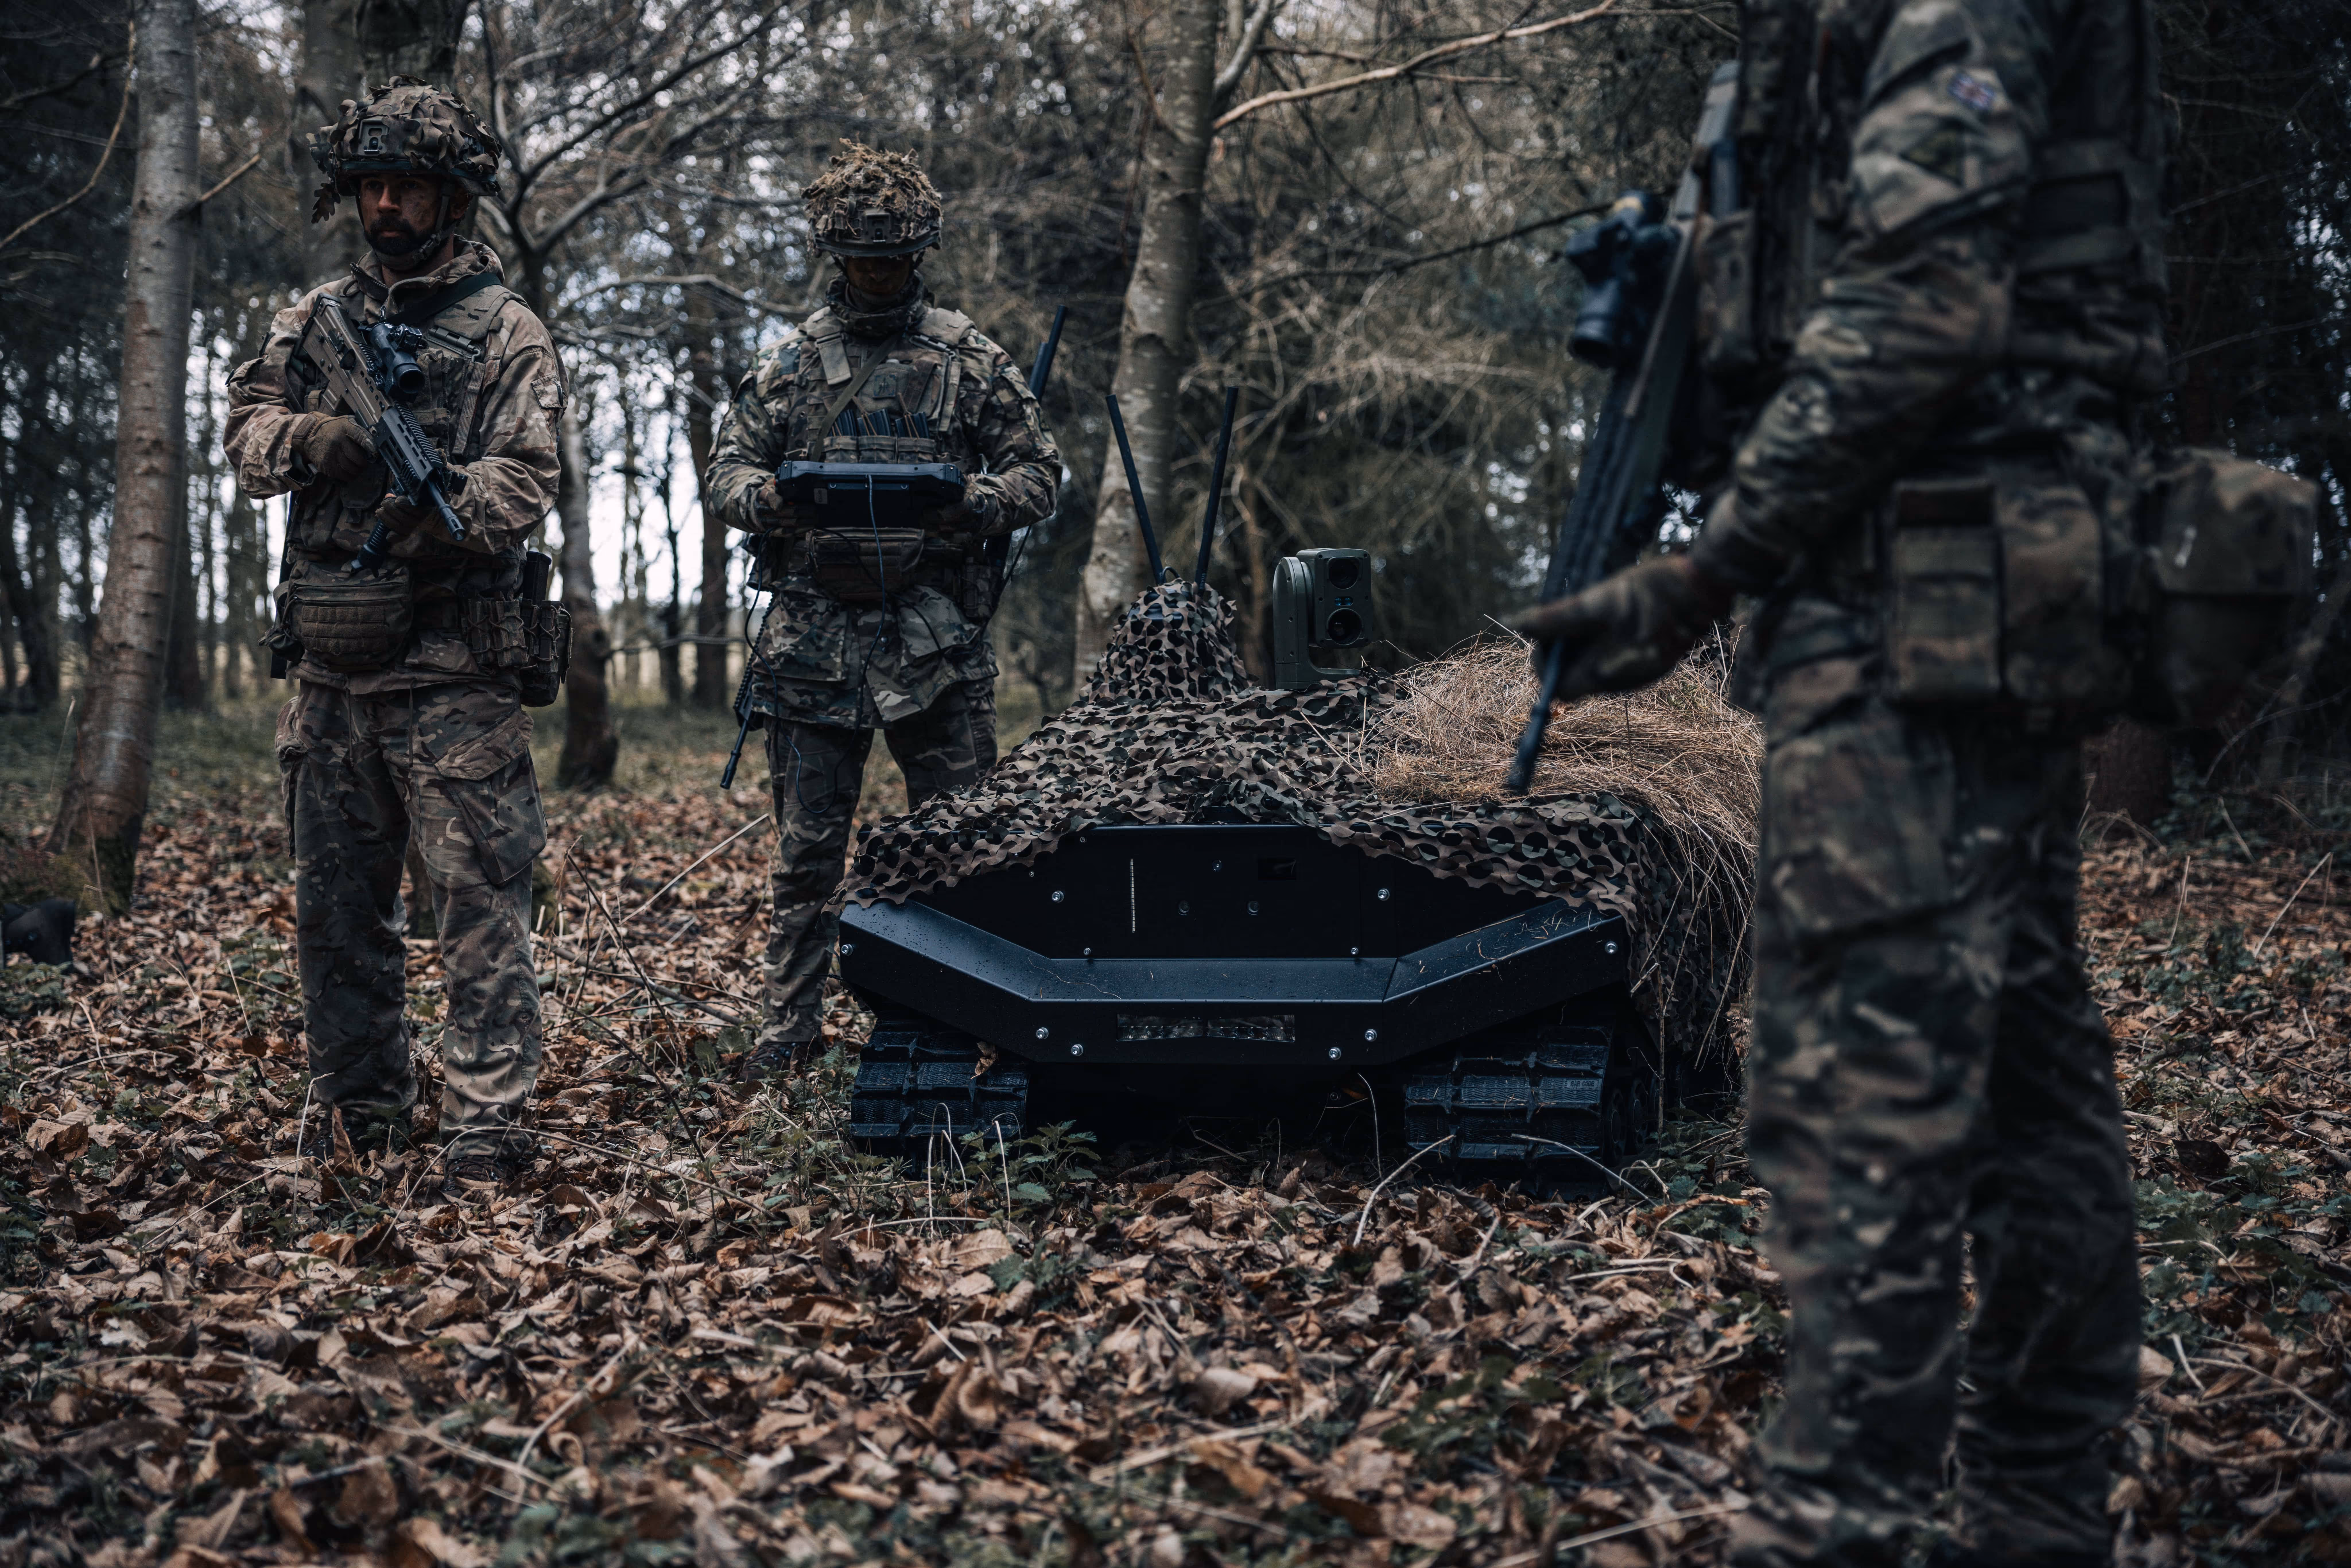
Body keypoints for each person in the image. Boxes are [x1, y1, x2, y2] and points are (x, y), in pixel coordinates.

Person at [1516, 2, 2167, 1565]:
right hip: (1939, 583)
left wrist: (1706, 571)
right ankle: (2036, 1500)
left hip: (1929, 589)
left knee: (1852, 1079)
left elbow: (1929, 299)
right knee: (2019, 1046)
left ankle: (1840, 1521)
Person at [224, 79, 567, 1199]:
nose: (385, 204)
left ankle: (486, 1125)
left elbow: (529, 479)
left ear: (451, 194)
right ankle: (363, 1102)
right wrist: (312, 438)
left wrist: (444, 506)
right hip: (328, 670)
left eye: (405, 185)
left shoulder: (506, 329)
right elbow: (241, 430)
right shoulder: (309, 319)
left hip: (454, 670)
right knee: (334, 905)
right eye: (370, 184)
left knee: (476, 904)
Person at [707, 144, 1060, 1079]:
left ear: (921, 253)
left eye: (896, 257)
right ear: (835, 255)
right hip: (813, 642)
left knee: (965, 846)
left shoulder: (966, 356)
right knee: (806, 855)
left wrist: (969, 502)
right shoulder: (789, 366)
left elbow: (1039, 473)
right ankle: (789, 1029)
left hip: (933, 640)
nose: (880, 274)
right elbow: (727, 468)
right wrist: (777, 501)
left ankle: (981, 1016)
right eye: (864, 258)